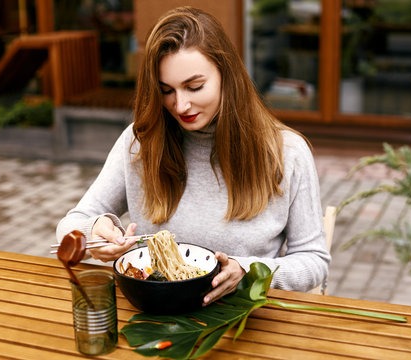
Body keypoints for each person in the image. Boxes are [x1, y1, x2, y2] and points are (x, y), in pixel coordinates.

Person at [56, 6, 330, 306]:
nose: (181, 105)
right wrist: (92, 231)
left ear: (228, 74)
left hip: (241, 320)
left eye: (194, 86)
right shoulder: (141, 141)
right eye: (166, 90)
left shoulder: (286, 152)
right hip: (156, 316)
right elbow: (70, 225)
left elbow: (313, 261)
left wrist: (247, 271)